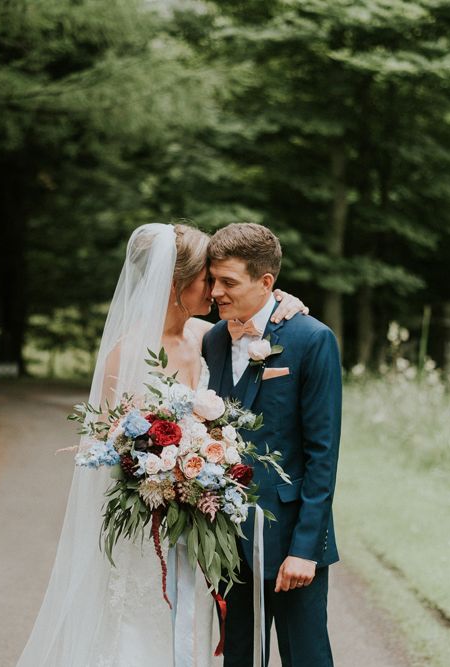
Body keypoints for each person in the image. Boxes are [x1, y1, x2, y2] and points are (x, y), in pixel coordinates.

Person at [16, 222, 307, 667]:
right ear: (176, 284)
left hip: (198, 526)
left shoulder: (206, 337)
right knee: (139, 632)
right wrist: (165, 476)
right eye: (207, 278)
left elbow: (258, 321)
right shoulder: (128, 350)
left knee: (190, 628)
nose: (214, 289)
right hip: (149, 527)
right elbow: (112, 444)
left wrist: (285, 302)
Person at [203, 223, 342, 667]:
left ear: (266, 283)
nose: (216, 292)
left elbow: (323, 454)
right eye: (212, 280)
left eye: (228, 282)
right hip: (226, 538)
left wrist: (306, 549)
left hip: (290, 539)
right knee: (239, 657)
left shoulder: (311, 339)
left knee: (307, 658)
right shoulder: (211, 340)